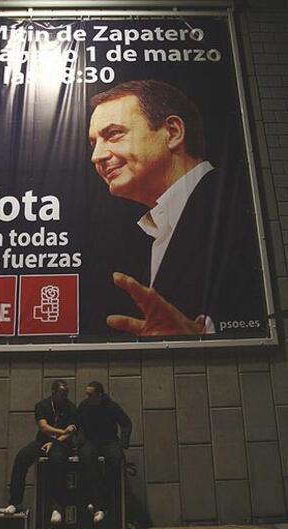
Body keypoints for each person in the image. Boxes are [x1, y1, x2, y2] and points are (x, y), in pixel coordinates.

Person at [88, 79, 263, 337]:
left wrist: (201, 337)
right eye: (94, 144)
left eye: (113, 134)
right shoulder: (156, 230)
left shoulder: (243, 205)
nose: (97, 156)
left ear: (172, 132)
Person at [5, 379, 78, 525]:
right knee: (21, 458)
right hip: (42, 441)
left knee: (57, 461)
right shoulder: (42, 406)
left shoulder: (71, 408)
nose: (65, 396)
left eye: (67, 393)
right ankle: (15, 501)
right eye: (62, 393)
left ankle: (57, 507)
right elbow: (44, 427)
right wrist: (62, 431)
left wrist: (55, 441)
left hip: (62, 443)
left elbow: (71, 433)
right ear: (54, 392)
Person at [78, 381, 132, 524]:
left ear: (99, 395)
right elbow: (79, 425)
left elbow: (126, 423)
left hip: (109, 440)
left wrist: (123, 443)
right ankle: (100, 504)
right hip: (91, 441)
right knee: (85, 456)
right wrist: (81, 441)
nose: (86, 396)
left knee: (116, 457)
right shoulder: (84, 406)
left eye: (90, 394)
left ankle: (99, 503)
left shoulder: (111, 406)